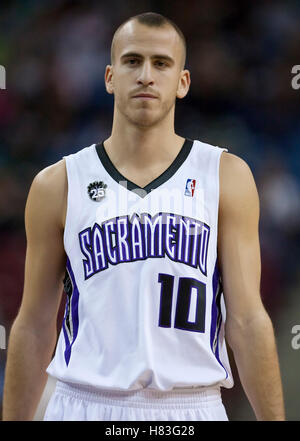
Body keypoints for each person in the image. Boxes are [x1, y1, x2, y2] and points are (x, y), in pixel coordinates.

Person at [3, 12, 285, 421]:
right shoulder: (58, 184)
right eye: (132, 61)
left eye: (161, 63)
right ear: (109, 77)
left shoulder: (225, 175)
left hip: (190, 405)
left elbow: (246, 319)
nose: (146, 76)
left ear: (183, 82)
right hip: (84, 402)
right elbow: (33, 323)